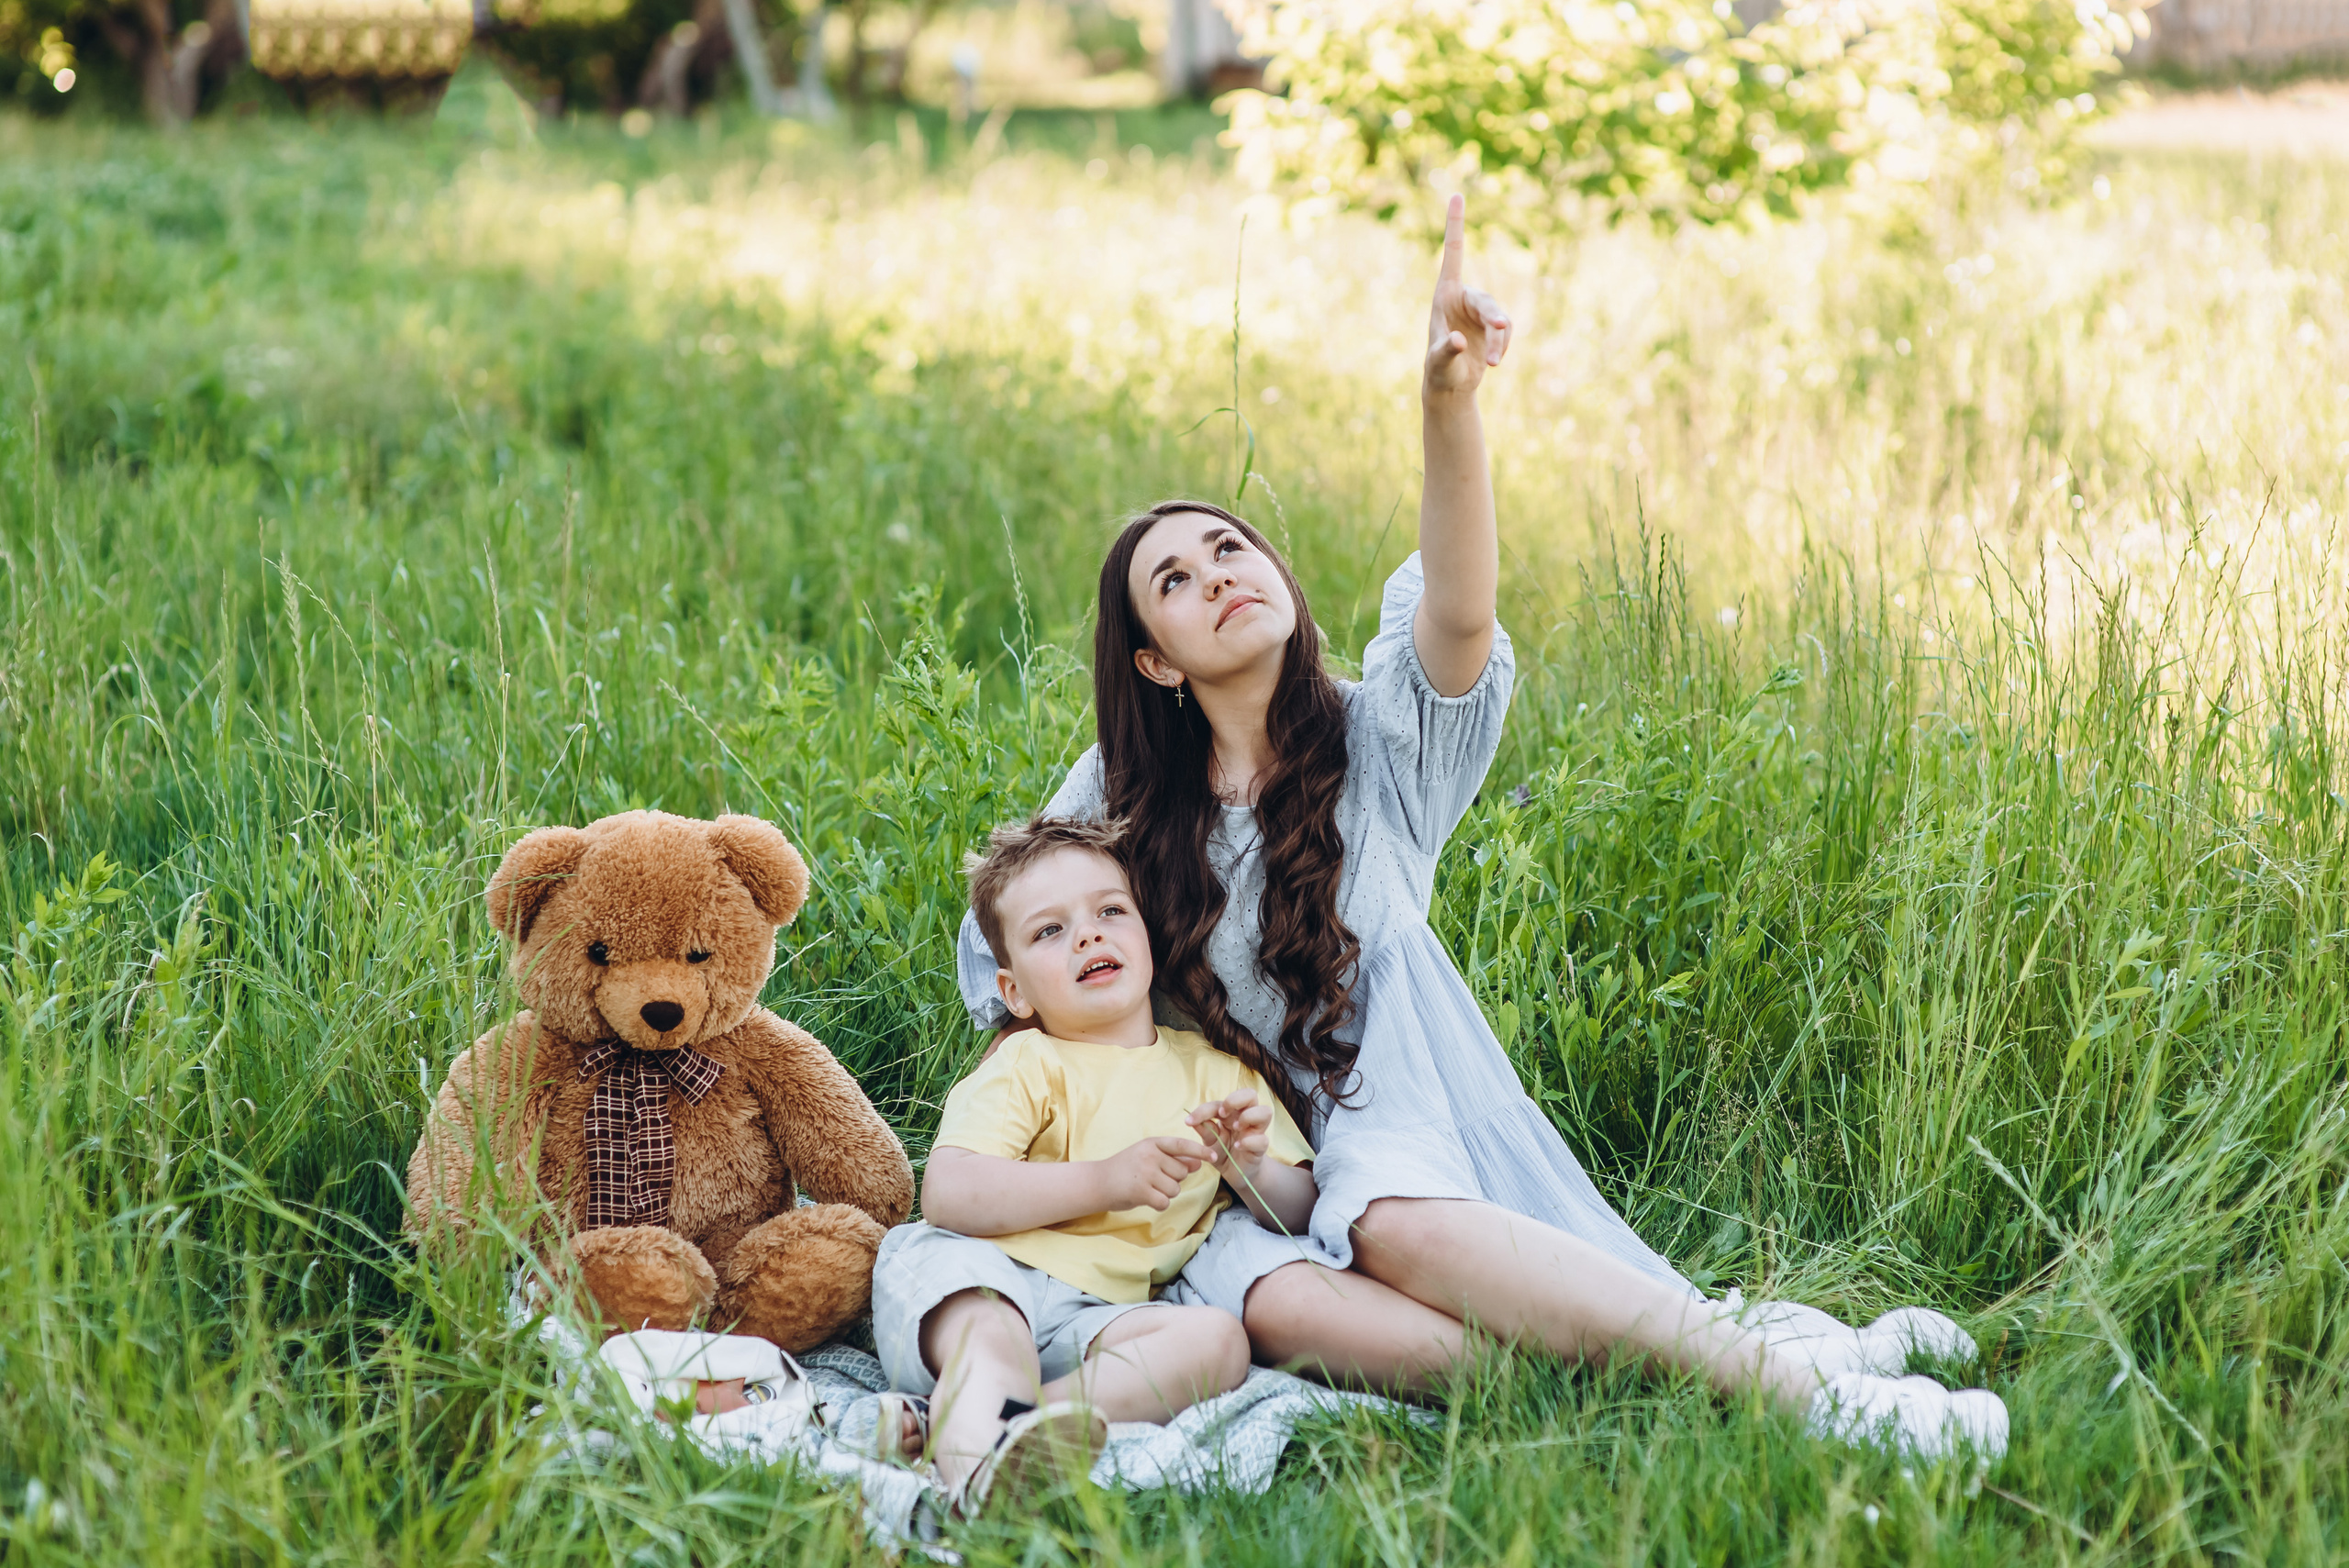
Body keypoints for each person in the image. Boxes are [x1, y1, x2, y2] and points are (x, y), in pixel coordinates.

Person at [952, 195, 2008, 1459]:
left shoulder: (1382, 742)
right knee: (1436, 1358)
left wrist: (1446, 407)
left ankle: (1818, 1400)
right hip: (1230, 1171)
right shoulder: (1115, 801)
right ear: (1156, 660)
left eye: (1231, 547)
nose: (1218, 572)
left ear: (1280, 578)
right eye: (1174, 578)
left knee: (1392, 1225)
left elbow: (1457, 611)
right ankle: (1751, 1356)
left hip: (1384, 1116)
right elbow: (1020, 958)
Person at [873, 816, 1319, 1513]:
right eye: (1049, 930)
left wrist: (1247, 1165)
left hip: (1101, 1319)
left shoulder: (1215, 1075)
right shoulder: (1030, 1060)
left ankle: (1000, 1430)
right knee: (993, 1339)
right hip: (978, 1275)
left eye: (1111, 910)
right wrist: (1107, 1180)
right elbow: (950, 1193)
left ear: (1148, 934)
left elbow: (1301, 1212)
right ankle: (966, 1492)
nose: (1088, 934)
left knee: (1217, 1343)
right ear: (1014, 990)